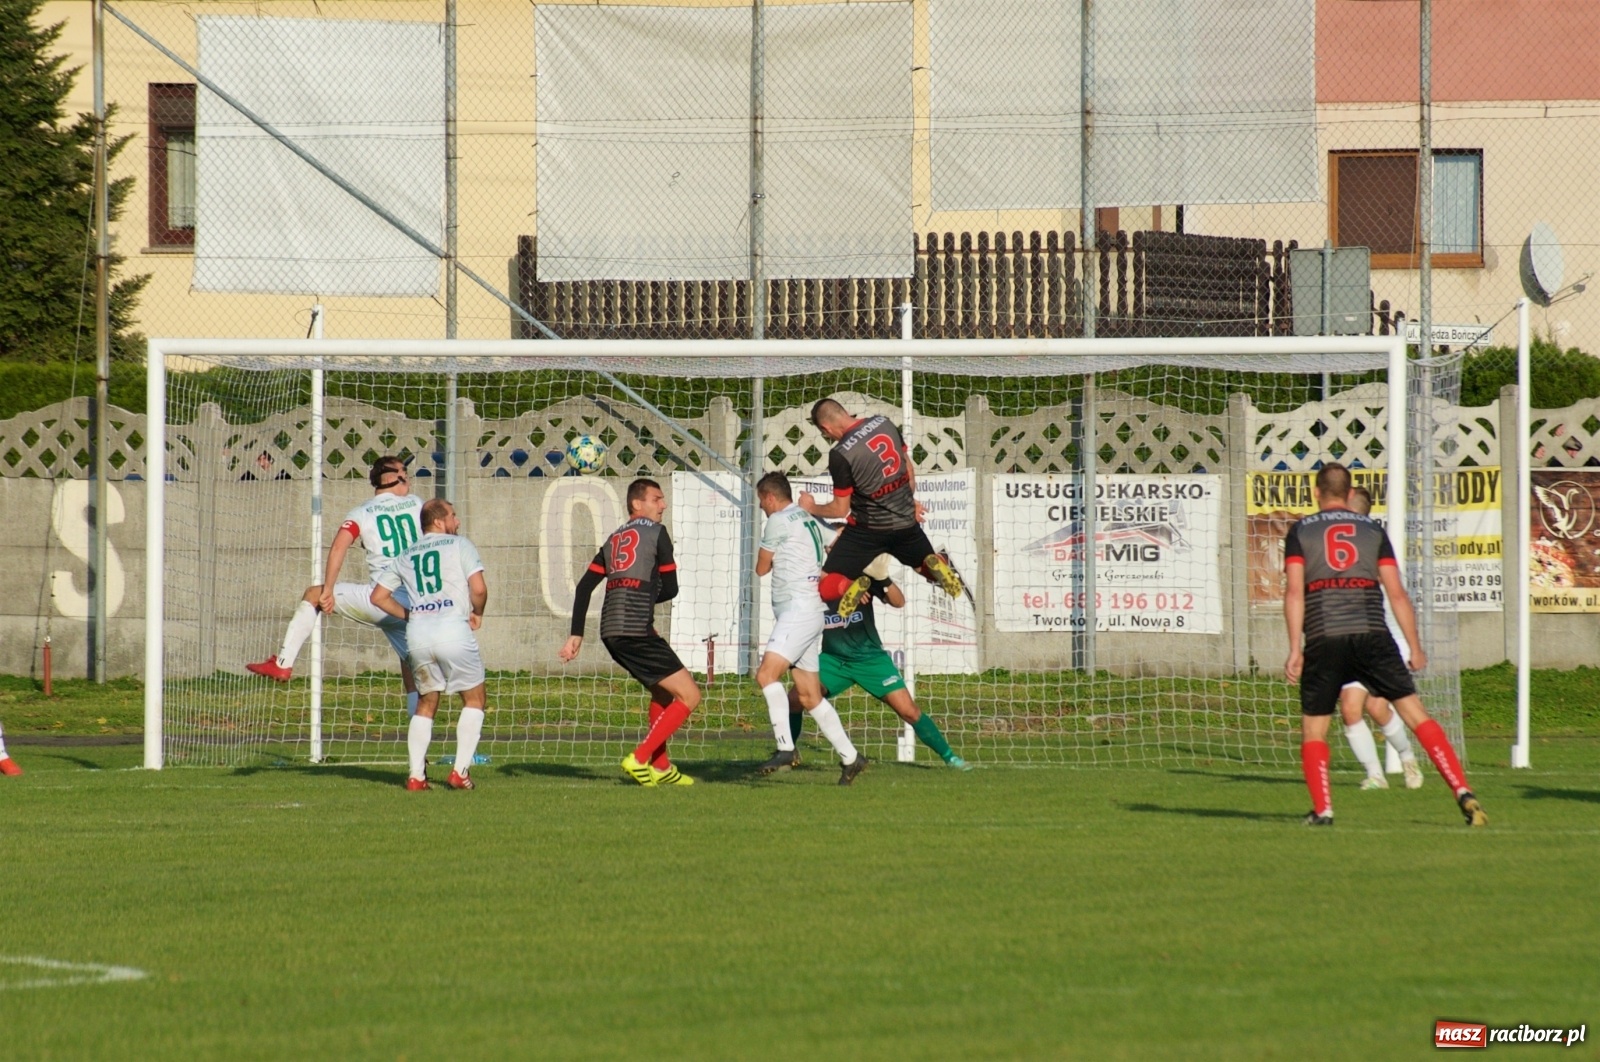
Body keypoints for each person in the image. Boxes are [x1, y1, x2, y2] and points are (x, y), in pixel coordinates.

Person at [1283, 462, 1486, 827]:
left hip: (1325, 637)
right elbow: (1396, 593)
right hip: (1373, 635)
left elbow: (1295, 592)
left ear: (1316, 493)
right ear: (1349, 494)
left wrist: (1295, 648)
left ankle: (1323, 810)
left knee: (1314, 729)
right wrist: (1415, 647)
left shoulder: (1301, 531)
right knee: (1415, 714)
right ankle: (1462, 791)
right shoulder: (1373, 530)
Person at [246, 456, 421, 719]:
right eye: (404, 471)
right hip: (416, 604)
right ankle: (420, 744)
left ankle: (283, 664)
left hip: (381, 600)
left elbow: (339, 546)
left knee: (314, 594)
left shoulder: (362, 512)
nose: (408, 476)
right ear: (394, 477)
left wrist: (328, 589)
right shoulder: (417, 503)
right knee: (415, 678)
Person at [560, 478, 701, 786]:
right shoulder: (658, 533)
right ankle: (639, 758)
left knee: (662, 692)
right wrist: (644, 600)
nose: (663, 504)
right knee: (690, 695)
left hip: (610, 631)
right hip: (636, 628)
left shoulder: (613, 539)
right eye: (657, 499)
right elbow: (671, 588)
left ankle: (661, 767)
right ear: (637, 504)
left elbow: (584, 587)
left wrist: (575, 634)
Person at [789, 552, 971, 771]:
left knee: (909, 711)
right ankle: (787, 753)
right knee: (795, 699)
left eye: (838, 543)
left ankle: (951, 758)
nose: (833, 548)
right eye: (830, 544)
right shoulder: (813, 581)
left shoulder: (862, 575)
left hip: (870, 659)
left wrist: (883, 578)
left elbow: (898, 601)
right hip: (833, 660)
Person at [799, 397, 968, 618]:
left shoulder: (840, 454)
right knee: (922, 566)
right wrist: (908, 500)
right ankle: (937, 564)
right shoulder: (883, 423)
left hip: (867, 531)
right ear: (845, 411)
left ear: (825, 428)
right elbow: (907, 467)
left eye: (825, 435)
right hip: (906, 522)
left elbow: (840, 510)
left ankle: (848, 586)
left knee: (825, 583)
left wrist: (811, 507)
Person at [751, 472, 868, 786]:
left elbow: (761, 568)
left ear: (770, 497)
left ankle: (785, 748)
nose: (761, 507)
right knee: (809, 696)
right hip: (812, 611)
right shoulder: (809, 518)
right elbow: (836, 541)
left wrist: (778, 557)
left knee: (766, 675)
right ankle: (852, 758)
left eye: (761, 501)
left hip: (797, 611)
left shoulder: (777, 521)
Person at [371, 499, 489, 791]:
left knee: (426, 701)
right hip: (452, 631)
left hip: (418, 636)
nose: (457, 521)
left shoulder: (406, 554)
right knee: (474, 699)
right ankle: (460, 772)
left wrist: (411, 615)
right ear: (438, 521)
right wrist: (478, 612)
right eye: (453, 516)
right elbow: (478, 588)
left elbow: (378, 597)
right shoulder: (460, 545)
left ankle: (416, 776)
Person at [1336, 485, 1424, 791]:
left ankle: (1407, 758)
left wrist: (1413, 646)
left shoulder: (1372, 543)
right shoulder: (1338, 548)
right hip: (1358, 641)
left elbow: (1397, 596)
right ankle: (1375, 775)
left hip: (1390, 642)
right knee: (1350, 707)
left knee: (1376, 707)